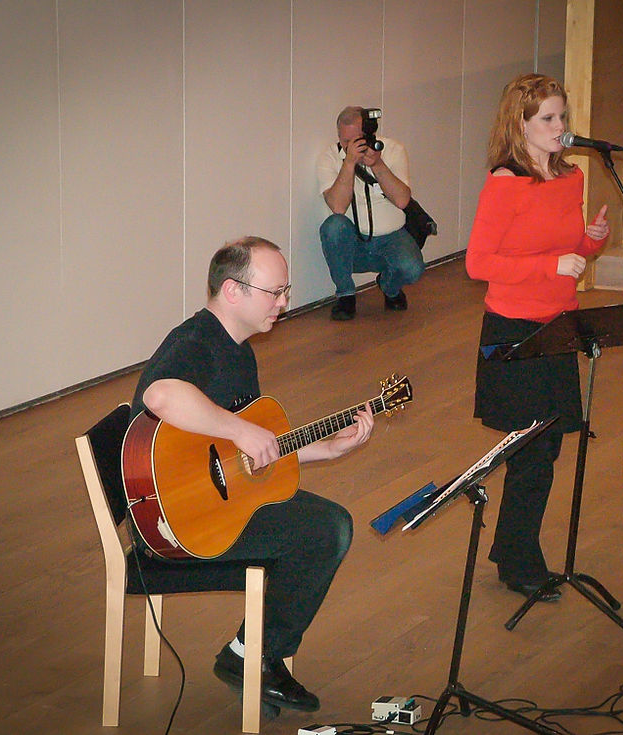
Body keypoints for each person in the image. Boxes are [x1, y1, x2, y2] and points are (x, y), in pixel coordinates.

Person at [129, 236, 375, 713]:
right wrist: (239, 429)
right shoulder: (195, 343)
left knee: (323, 524)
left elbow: (244, 458)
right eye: (275, 292)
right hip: (173, 524)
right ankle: (250, 656)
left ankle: (253, 654)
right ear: (232, 291)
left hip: (206, 502)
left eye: (286, 291)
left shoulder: (239, 350)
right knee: (325, 531)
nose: (284, 302)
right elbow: (160, 396)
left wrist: (325, 450)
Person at [465, 73, 610, 602]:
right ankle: (520, 560)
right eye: (547, 118)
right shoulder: (505, 182)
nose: (559, 126)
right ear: (520, 124)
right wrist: (553, 264)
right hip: (514, 330)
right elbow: (479, 263)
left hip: (559, 324)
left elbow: (568, 248)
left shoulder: (570, 177)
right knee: (531, 449)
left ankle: (512, 549)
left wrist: (590, 241)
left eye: (562, 116)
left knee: (545, 448)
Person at [316, 105, 426, 321]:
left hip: (392, 237)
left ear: (369, 133)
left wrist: (377, 164)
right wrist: (348, 164)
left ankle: (389, 287)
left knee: (413, 269)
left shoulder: (393, 150)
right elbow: (338, 207)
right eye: (345, 141)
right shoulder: (329, 157)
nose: (350, 146)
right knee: (333, 226)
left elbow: (402, 200)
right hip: (353, 243)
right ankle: (346, 295)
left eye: (356, 140)